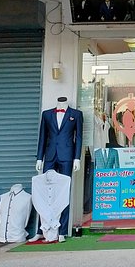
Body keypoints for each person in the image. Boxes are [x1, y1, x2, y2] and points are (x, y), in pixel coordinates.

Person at [32, 97, 83, 243]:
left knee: (64, 192)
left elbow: (78, 137)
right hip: (50, 155)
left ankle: (62, 231)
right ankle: (41, 230)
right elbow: (43, 137)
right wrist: (39, 158)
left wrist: (77, 158)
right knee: (42, 192)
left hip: (67, 156)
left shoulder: (76, 114)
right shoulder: (47, 114)